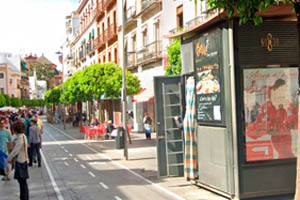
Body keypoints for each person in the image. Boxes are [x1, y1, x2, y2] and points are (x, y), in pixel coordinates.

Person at [7, 120, 29, 200]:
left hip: (21, 161)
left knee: (22, 182)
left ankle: (24, 197)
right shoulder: (21, 136)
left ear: (16, 130)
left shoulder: (20, 137)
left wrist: (9, 158)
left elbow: (16, 150)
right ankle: (23, 197)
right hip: (22, 161)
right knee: (22, 182)